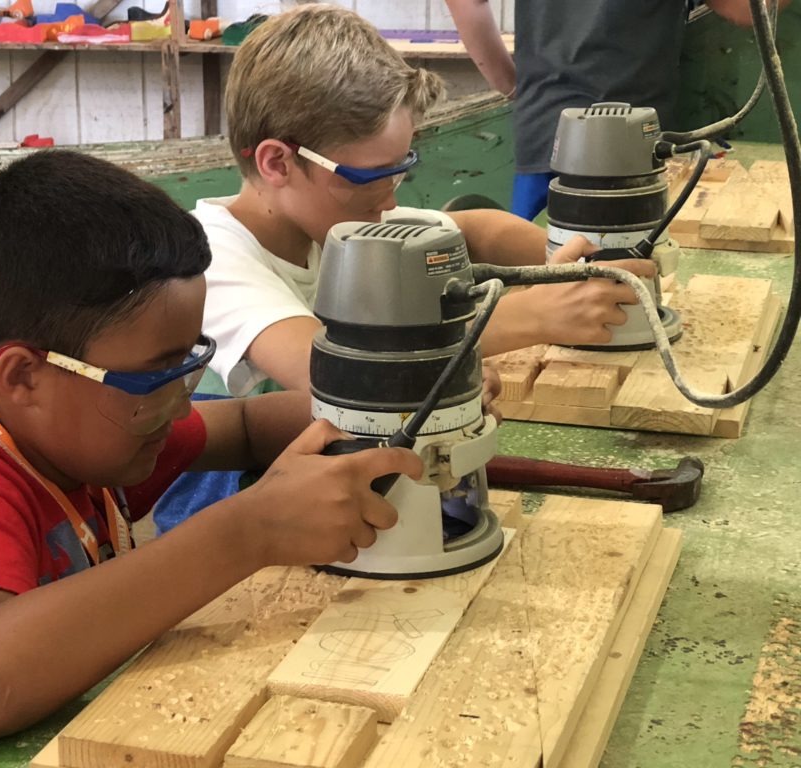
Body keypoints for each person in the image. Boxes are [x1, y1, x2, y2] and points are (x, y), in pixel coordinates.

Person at [0, 150, 422, 767]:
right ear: (23, 376)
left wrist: (390, 403)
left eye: (189, 362)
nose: (176, 402)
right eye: (154, 376)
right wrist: (250, 531)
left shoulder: (90, 438)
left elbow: (241, 422)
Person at [152, 4, 656, 533]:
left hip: (348, 491)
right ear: (277, 163)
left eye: (401, 169)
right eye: (372, 177)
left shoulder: (340, 223)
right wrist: (532, 317)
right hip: (230, 519)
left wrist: (561, 267)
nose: (390, 201)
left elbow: (476, 227)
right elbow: (342, 374)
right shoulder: (210, 259)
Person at [445, 0, 780, 220]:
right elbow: (746, 8)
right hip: (629, 149)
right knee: (622, 297)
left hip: (544, 132)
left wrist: (512, 84)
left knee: (539, 284)